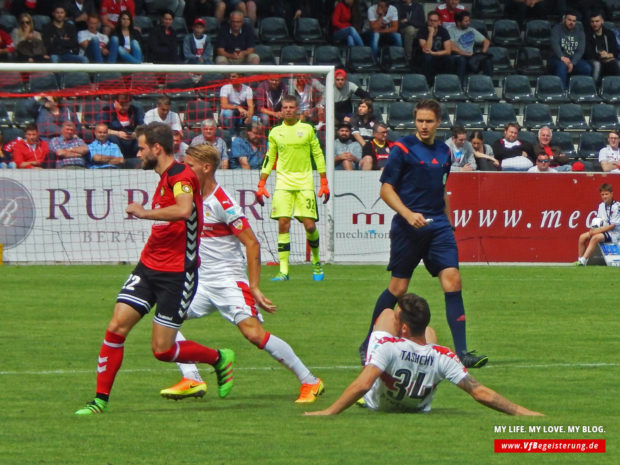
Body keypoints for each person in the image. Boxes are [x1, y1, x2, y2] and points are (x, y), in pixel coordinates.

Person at [75, 122, 234, 416]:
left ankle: (218, 357)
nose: (138, 153)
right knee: (115, 328)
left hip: (178, 274)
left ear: (157, 148)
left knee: (162, 350)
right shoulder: (164, 176)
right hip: (148, 267)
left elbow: (184, 209)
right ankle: (99, 401)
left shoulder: (182, 176)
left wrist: (144, 212)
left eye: (142, 147)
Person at [159, 143, 324, 403]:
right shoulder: (189, 197)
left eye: (189, 165)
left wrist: (254, 286)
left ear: (206, 167)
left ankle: (311, 381)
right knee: (165, 319)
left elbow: (252, 242)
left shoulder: (223, 203)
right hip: (200, 283)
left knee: (254, 335)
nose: (184, 170)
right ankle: (192, 377)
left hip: (228, 282)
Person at [358, 99, 488, 369]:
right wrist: (408, 214)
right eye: (420, 121)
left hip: (438, 225)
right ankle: (369, 342)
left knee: (453, 280)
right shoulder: (402, 148)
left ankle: (462, 352)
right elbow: (386, 189)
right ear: (415, 121)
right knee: (398, 288)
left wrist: (448, 222)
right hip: (408, 226)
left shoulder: (444, 152)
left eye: (429, 121)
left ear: (438, 123)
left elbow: (442, 189)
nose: (424, 125)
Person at [307, 293, 543, 416]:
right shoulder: (445, 355)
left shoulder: (388, 346)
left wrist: (328, 412)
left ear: (404, 329)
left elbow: (362, 384)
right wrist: (523, 412)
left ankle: (384, 346)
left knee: (387, 313)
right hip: (417, 405)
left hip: (379, 404)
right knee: (428, 332)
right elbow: (480, 392)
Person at [255, 95, 330, 282]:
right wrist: (261, 183)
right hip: (283, 184)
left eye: (291, 107)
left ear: (297, 109)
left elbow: (318, 154)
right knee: (282, 224)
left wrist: (324, 181)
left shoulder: (307, 130)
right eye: (285, 107)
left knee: (310, 225)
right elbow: (269, 158)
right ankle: (284, 271)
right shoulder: (274, 133)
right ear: (281, 110)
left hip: (304, 183)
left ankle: (316, 262)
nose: (288, 110)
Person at [576, 183, 620, 266]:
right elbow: (598, 221)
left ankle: (583, 261)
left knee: (595, 238)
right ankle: (580, 259)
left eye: (606, 194)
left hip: (615, 233)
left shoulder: (616, 206)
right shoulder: (601, 206)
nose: (604, 196)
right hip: (603, 230)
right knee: (582, 237)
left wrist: (596, 232)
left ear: (611, 194)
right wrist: (593, 230)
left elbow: (613, 225)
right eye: (602, 194)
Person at [549, 11, 593, 90]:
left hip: (572, 59)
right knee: (562, 66)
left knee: (586, 68)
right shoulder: (556, 29)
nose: (571, 22)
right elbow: (554, 45)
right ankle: (562, 92)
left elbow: (580, 51)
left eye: (574, 21)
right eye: (569, 20)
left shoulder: (580, 32)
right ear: (564, 19)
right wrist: (562, 57)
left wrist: (572, 63)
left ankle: (578, 89)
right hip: (557, 59)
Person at [449, 10, 492, 85]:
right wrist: (466, 54)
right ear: (458, 22)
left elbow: (486, 41)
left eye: (468, 20)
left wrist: (482, 53)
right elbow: (452, 47)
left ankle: (488, 85)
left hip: (471, 57)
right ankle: (460, 86)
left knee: (487, 61)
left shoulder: (471, 30)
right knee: (461, 60)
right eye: (466, 21)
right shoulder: (451, 30)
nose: (468, 23)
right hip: (457, 56)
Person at [99, 94, 145, 164]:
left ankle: (139, 162)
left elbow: (142, 127)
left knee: (142, 138)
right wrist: (118, 133)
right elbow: (101, 129)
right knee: (112, 139)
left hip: (131, 138)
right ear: (115, 102)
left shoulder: (135, 110)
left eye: (126, 105)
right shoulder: (106, 110)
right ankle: (119, 161)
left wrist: (135, 134)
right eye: (122, 105)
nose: (124, 107)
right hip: (116, 137)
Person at [417, 10, 452, 85]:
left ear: (439, 21)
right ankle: (428, 84)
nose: (432, 22)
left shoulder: (443, 31)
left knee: (449, 58)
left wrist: (434, 53)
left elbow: (448, 51)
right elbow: (426, 49)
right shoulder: (422, 31)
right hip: (425, 56)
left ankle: (446, 84)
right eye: (430, 20)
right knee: (427, 57)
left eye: (435, 21)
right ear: (427, 21)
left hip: (438, 55)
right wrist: (431, 33)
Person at [585, 12, 620, 84]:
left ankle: (615, 87)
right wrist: (602, 56)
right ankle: (594, 87)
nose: (594, 24)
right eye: (592, 22)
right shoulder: (587, 35)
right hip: (593, 59)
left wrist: (608, 55)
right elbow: (587, 53)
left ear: (602, 21)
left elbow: (615, 51)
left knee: (616, 64)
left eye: (597, 21)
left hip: (608, 58)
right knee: (597, 65)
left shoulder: (609, 33)